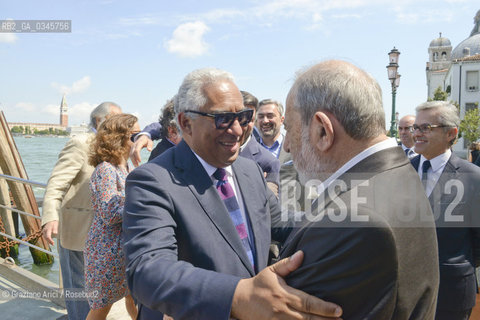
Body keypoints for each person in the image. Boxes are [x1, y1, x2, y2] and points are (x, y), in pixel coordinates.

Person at [122, 68, 342, 320]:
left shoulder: (248, 170)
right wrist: (238, 296)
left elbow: (280, 222)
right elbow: (148, 271)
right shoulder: (152, 179)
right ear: (185, 123)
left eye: (244, 116)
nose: (238, 130)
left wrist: (342, 222)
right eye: (223, 119)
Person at [279, 60, 439, 319]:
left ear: (322, 131)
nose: (286, 146)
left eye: (289, 130)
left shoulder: (351, 220)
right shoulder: (399, 172)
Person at [41, 102, 122, 320]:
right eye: (116, 118)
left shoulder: (115, 147)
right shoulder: (80, 144)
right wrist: (49, 217)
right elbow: (56, 183)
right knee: (78, 290)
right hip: (78, 230)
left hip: (106, 235)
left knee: (97, 293)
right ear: (100, 120)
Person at [410, 101, 480, 320]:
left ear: (451, 133)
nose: (417, 134)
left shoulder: (473, 177)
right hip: (405, 292)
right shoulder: (401, 171)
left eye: (426, 128)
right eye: (416, 127)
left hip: (451, 294)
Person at [84, 113, 139, 320]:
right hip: (106, 252)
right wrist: (142, 202)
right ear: (121, 138)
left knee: (133, 298)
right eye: (135, 134)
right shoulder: (106, 169)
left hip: (122, 249)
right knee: (101, 308)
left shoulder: (123, 167)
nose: (139, 139)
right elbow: (109, 212)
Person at [239, 90, 280, 194]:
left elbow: (271, 207)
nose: (241, 124)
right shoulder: (214, 152)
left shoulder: (269, 163)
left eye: (249, 119)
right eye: (239, 118)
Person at [255, 99, 290, 163]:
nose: (265, 121)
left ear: (281, 120)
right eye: (261, 116)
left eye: (270, 116)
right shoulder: (247, 150)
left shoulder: (294, 149)